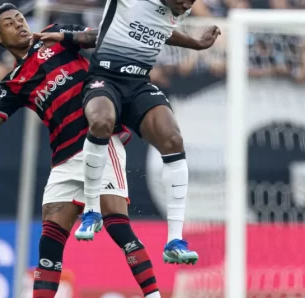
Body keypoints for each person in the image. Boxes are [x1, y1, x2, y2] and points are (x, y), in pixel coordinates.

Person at [0, 3, 165, 298]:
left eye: (20, 19)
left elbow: (100, 36)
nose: (19, 25)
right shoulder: (14, 83)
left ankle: (153, 295)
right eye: (10, 24)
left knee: (117, 226)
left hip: (100, 143)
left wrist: (66, 37)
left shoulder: (55, 36)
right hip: (63, 160)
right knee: (49, 246)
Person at [42, 0, 220, 265]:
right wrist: (66, 35)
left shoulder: (180, 8)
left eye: (191, 1)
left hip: (138, 84)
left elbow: (160, 28)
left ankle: (174, 240)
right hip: (104, 79)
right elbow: (104, 28)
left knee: (173, 140)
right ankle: (91, 212)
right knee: (101, 121)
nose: (187, 5)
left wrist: (196, 43)